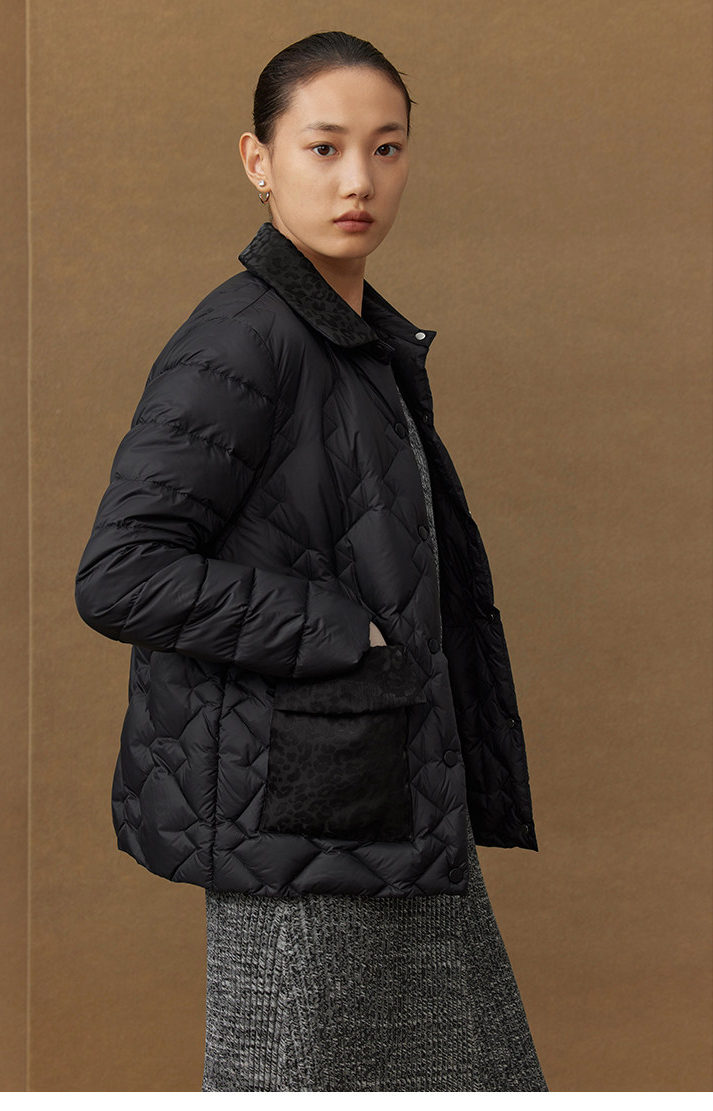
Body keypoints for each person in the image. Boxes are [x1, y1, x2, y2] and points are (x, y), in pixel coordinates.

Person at [75, 30, 548, 1093]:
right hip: (302, 827)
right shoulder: (245, 337)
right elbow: (121, 572)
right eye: (324, 147)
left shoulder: (351, 333)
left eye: (387, 148)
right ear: (259, 160)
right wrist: (344, 627)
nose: (358, 181)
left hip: (384, 801)